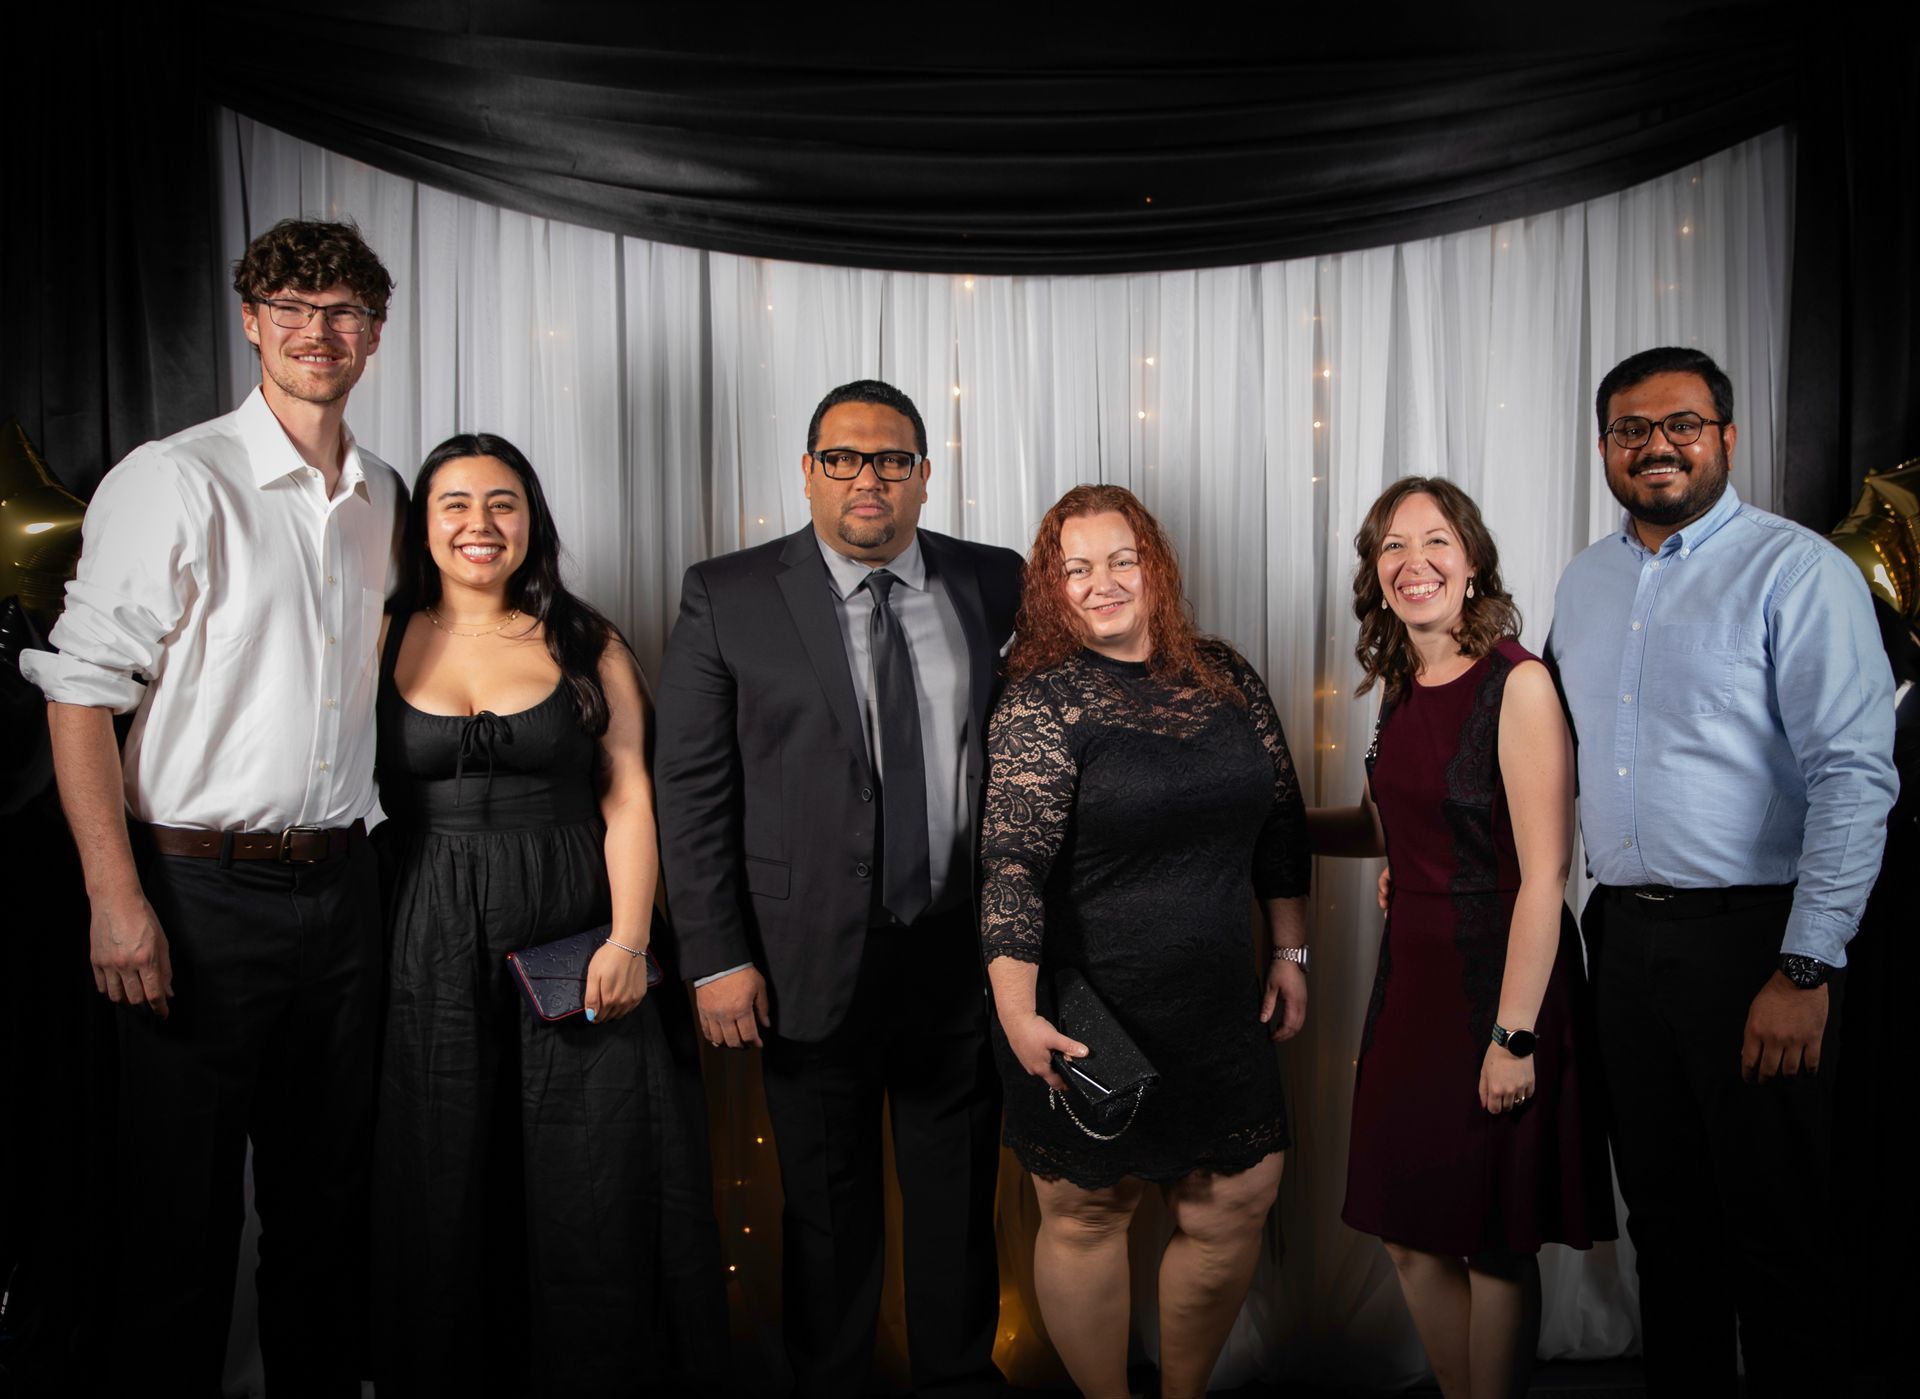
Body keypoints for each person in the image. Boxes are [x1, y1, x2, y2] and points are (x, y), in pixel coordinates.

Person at [21, 219, 402, 1394]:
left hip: (343, 893)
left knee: (326, 1210)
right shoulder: (174, 477)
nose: (317, 331)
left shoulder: (384, 494)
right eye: (291, 308)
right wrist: (115, 897)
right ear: (251, 321)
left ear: (375, 333)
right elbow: (80, 694)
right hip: (195, 894)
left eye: (341, 309)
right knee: (178, 1221)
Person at [655, 380, 1022, 1397]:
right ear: (808, 470)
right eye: (845, 458)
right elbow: (688, 790)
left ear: (924, 474)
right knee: (825, 1206)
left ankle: (955, 1378)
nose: (870, 479)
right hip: (800, 949)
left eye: (892, 459)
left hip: (958, 950)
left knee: (955, 1202)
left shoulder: (996, 581)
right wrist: (717, 952)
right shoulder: (726, 593)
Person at [1546, 347, 1897, 1397]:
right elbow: (1547, 756)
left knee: (1780, 1231)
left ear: (1726, 438)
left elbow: (1853, 772)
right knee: (1664, 1222)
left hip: (1760, 941)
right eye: (1630, 428)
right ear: (1605, 445)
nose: (1656, 445)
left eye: (1682, 424)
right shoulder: (1586, 578)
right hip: (1622, 938)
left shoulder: (1798, 570)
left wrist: (1805, 968)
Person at [368, 433, 723, 1393]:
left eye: (503, 502)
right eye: (455, 504)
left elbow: (631, 798)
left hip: (574, 923)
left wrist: (630, 939)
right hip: (426, 933)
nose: (480, 524)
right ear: (422, 523)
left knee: (590, 1170)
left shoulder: (585, 638)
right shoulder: (377, 629)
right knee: (442, 1165)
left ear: (532, 519)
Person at [979, 483, 1310, 1399]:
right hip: (1086, 1008)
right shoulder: (1041, 701)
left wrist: (1290, 951)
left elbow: (1279, 824)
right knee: (1088, 1214)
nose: (1102, 583)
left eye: (1120, 559)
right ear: (1053, 585)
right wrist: (1016, 1011)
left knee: (1235, 1197)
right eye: (1075, 568)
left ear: (1153, 565)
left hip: (1214, 1002)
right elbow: (1010, 867)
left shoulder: (1226, 674)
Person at [1309, 477, 1615, 1399]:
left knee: (1491, 1240)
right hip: (1413, 987)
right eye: (1392, 547)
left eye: (1434, 540)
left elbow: (1544, 875)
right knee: (1408, 1230)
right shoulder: (1402, 684)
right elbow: (1385, 828)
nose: (1414, 563)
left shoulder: (1518, 685)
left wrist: (1514, 1032)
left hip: (1499, 979)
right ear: (1375, 572)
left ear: (1471, 558)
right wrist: (1264, 824)